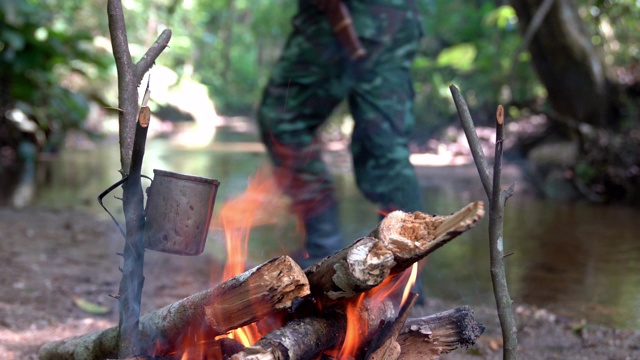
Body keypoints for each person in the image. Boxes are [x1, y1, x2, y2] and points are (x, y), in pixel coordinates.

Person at [257, 0, 425, 289]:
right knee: (385, 146)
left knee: (284, 119)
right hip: (397, 16)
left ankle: (327, 250)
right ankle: (403, 279)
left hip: (340, 16)